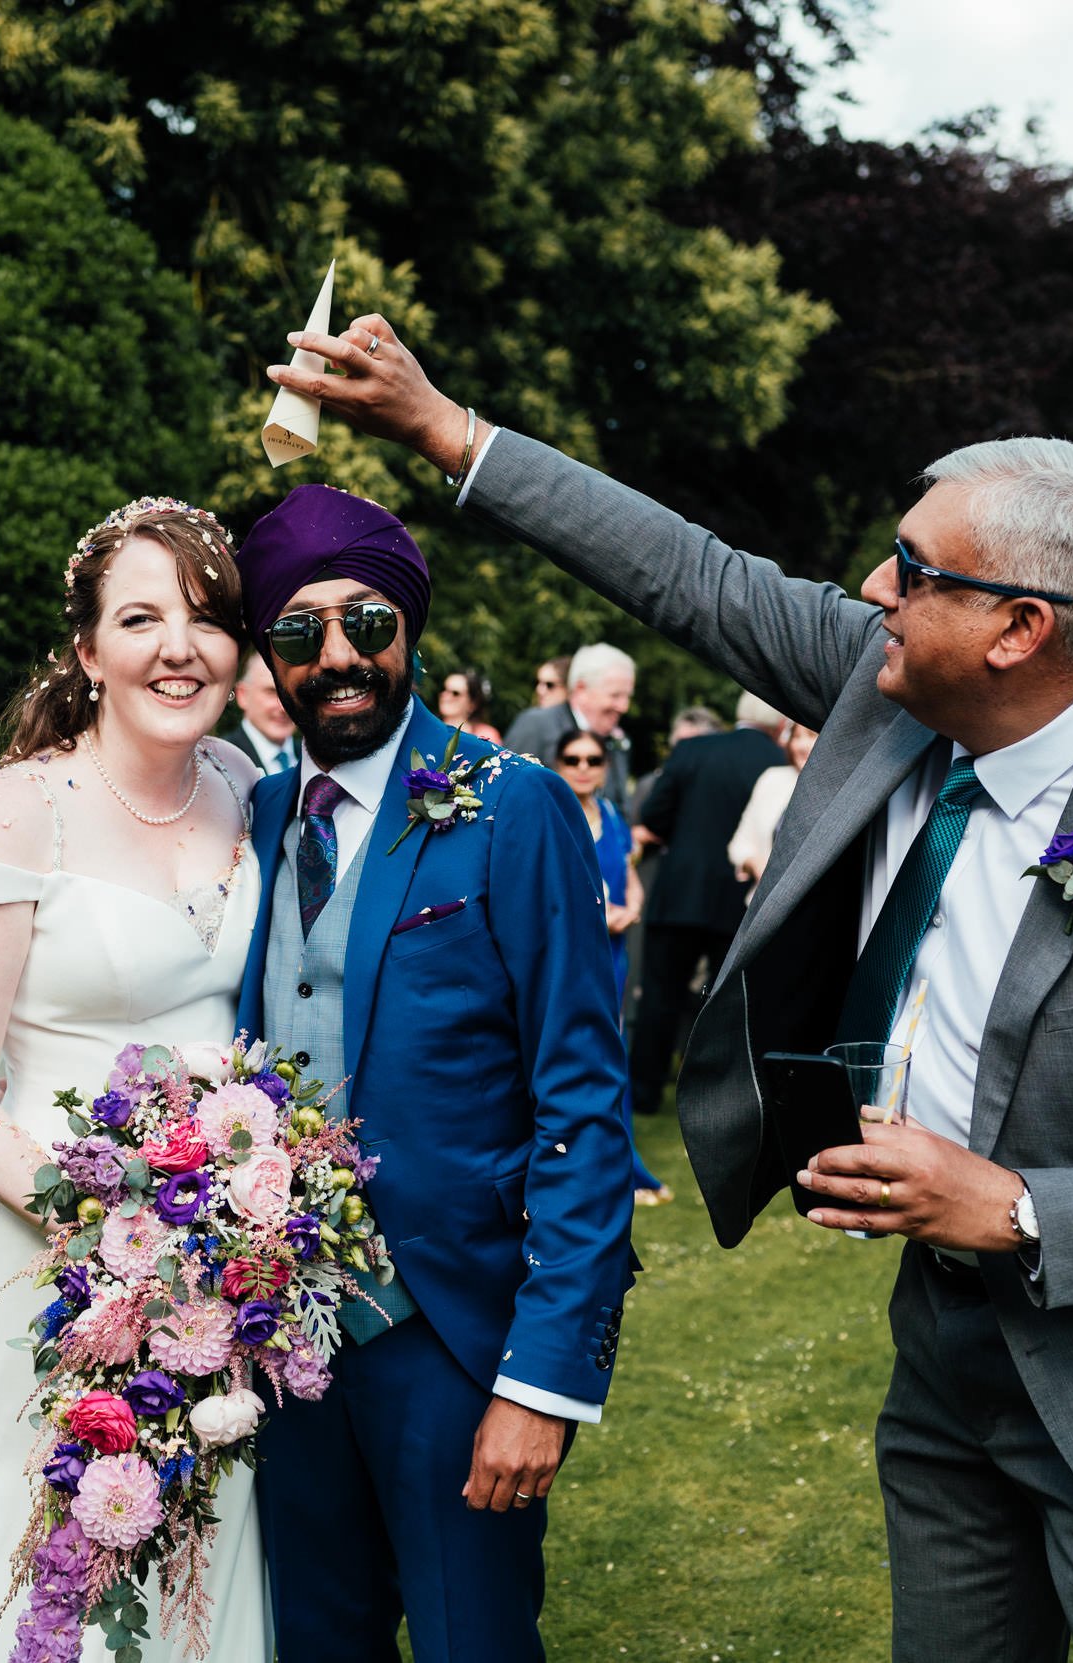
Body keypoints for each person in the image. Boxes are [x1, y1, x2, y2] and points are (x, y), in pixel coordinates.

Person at [273, 319, 1073, 1662]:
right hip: (949, 1375)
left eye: (910, 569)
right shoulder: (892, 685)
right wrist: (445, 428)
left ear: (1019, 627)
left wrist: (1012, 1204)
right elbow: (690, 573)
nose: (873, 587)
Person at [229, 485, 636, 1663]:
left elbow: (583, 1103)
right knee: (312, 1640)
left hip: (452, 1339)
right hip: (279, 1343)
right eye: (301, 634)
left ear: (409, 626)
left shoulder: (514, 806)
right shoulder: (253, 817)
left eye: (368, 622)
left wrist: (540, 1382)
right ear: (270, 657)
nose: (341, 655)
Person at [0, 498, 270, 1662]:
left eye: (207, 618)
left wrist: (230, 1217)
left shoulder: (241, 780)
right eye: (141, 617)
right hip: (59, 1249)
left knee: (216, 1544)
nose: (180, 647)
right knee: (77, 1542)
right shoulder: (20, 810)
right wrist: (108, 1230)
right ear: (87, 650)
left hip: (227, 1248)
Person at [629, 693, 785, 1119]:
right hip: (738, 899)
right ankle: (708, 1100)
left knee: (658, 996)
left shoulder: (694, 749)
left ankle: (642, 1094)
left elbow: (654, 814)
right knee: (721, 1007)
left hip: (680, 891)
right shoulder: (779, 763)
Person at [553, 727, 669, 1205]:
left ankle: (623, 1163)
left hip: (615, 951)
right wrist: (602, 914)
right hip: (574, 950)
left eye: (593, 759)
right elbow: (551, 886)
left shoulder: (613, 814)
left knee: (613, 1047)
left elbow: (628, 873)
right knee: (579, 1049)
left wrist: (633, 907)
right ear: (559, 763)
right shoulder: (554, 815)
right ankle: (587, 1164)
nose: (583, 767)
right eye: (573, 759)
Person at [502, 642, 636, 802]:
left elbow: (621, 806)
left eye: (627, 696)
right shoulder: (535, 725)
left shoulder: (617, 741)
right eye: (615, 695)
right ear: (581, 690)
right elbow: (507, 793)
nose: (624, 707)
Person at [729, 721, 818, 890]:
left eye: (811, 736)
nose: (801, 745)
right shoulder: (772, 779)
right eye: (796, 737)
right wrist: (755, 864)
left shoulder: (841, 787)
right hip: (764, 900)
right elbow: (740, 843)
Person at [227, 650, 299, 773]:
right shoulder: (221, 760)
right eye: (271, 692)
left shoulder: (314, 759)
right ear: (242, 695)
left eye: (292, 693)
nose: (283, 707)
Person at [437, 664, 503, 744]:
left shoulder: (487, 736)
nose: (445, 695)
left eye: (455, 693)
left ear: (472, 703)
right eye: (443, 689)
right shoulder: (429, 728)